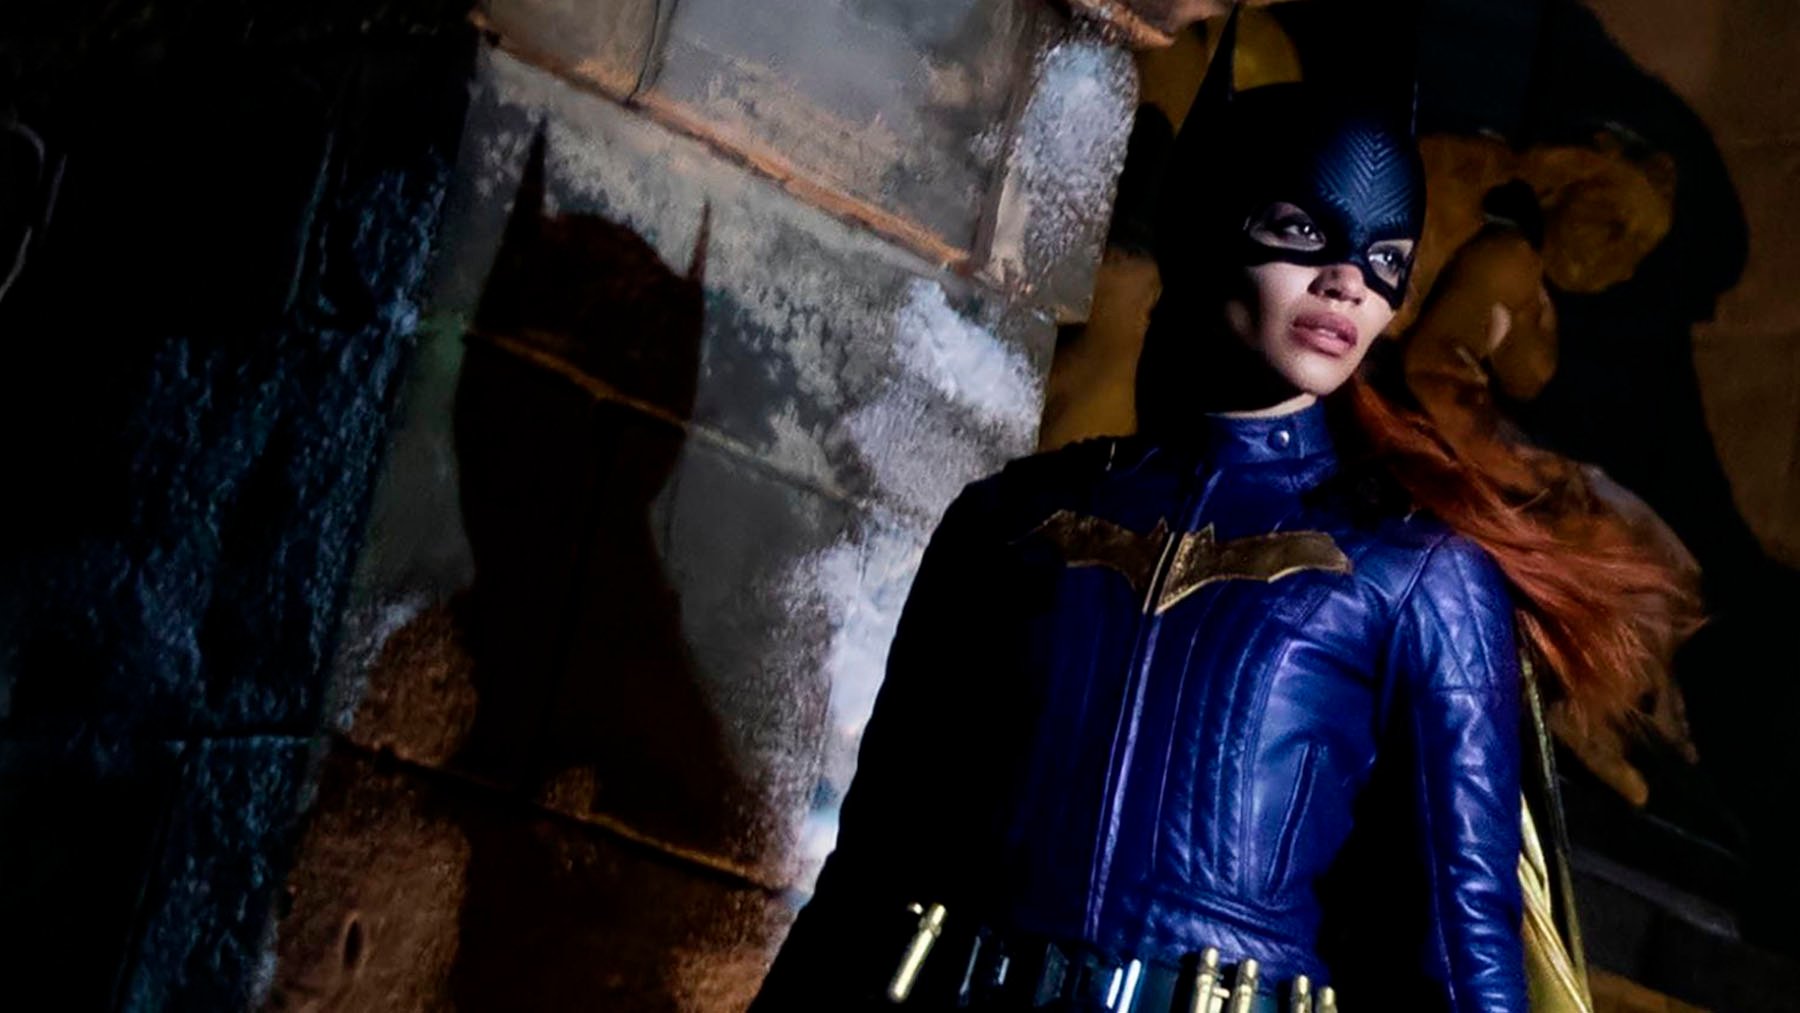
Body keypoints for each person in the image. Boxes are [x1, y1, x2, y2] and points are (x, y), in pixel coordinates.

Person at [751, 13, 1689, 1013]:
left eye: (1386, 260)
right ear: (1208, 226)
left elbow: (1461, 951)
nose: (1348, 283)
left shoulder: (1416, 569)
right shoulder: (1013, 517)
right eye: (1303, 232)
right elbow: (873, 864)